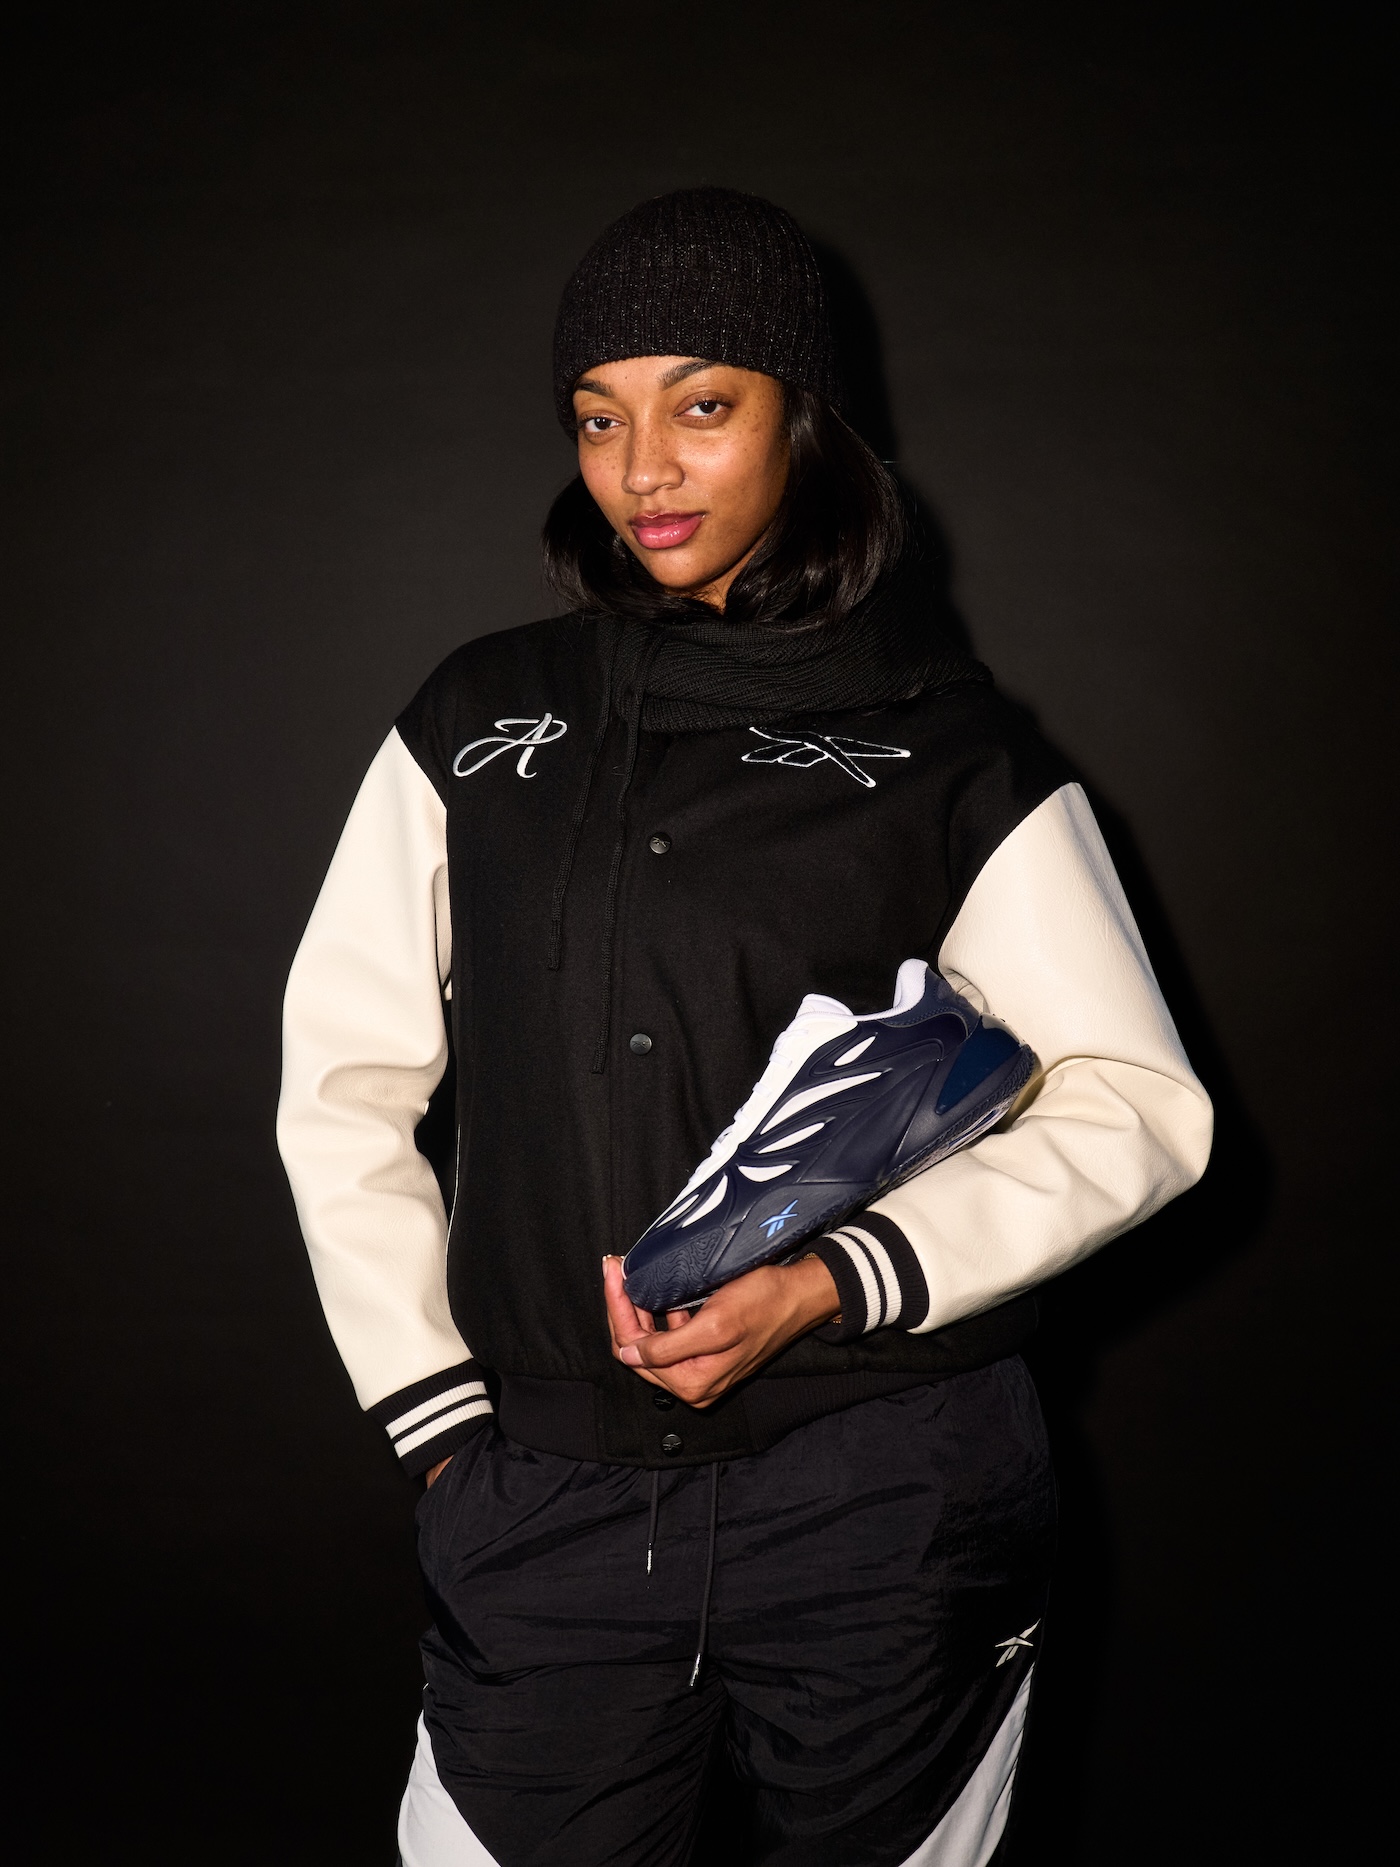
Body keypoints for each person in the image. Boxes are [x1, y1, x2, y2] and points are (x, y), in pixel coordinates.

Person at [277, 188, 1212, 1867]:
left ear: (805, 419)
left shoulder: (955, 753)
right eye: (599, 418)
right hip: (547, 1498)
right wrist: (438, 1415)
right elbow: (342, 1081)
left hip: (892, 1494)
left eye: (701, 406)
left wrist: (834, 1279)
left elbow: (1135, 1104)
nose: (643, 469)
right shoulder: (478, 721)